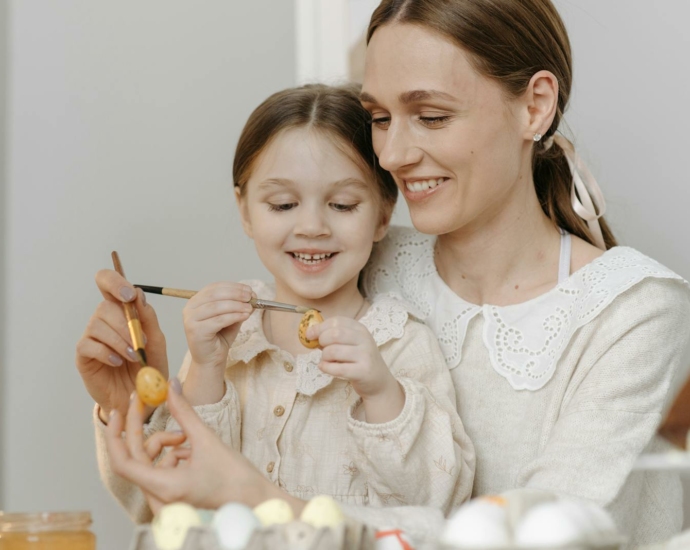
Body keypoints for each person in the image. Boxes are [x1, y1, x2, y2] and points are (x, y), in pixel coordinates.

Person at [90, 0, 690, 546]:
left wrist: (256, 500)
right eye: (379, 118)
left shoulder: (636, 313)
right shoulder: (348, 261)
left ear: (534, 106)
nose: (394, 155)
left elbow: (541, 538)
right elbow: (169, 505)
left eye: (430, 116)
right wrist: (137, 398)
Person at [77, 84, 474, 524]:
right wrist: (207, 372)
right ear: (245, 211)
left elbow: (438, 510)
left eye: (342, 205)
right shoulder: (225, 341)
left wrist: (381, 392)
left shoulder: (403, 343)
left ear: (382, 214)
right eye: (283, 204)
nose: (311, 226)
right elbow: (172, 507)